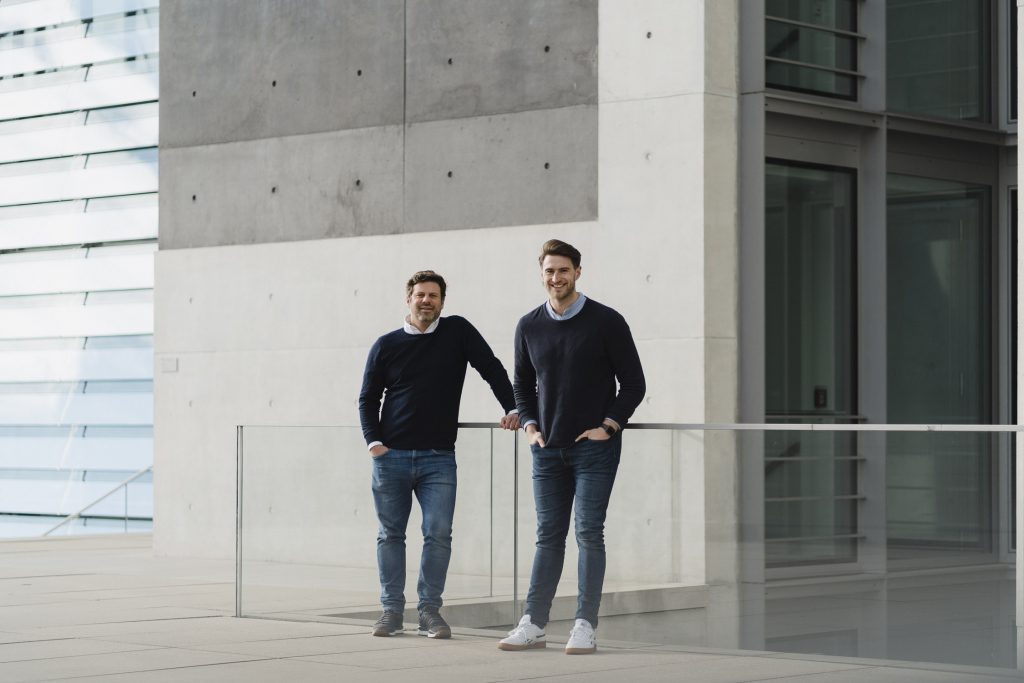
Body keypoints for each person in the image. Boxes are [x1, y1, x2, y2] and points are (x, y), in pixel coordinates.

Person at [499, 239, 645, 654]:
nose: (556, 278)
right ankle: (534, 622)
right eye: (549, 271)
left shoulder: (606, 321)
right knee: (547, 535)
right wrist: (529, 425)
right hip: (546, 448)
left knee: (588, 533)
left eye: (563, 270)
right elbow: (522, 385)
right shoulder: (528, 325)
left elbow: (633, 383)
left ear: (578, 272)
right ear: (541, 273)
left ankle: (584, 624)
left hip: (594, 449)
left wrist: (609, 426)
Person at [359, 270, 519, 639]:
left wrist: (515, 408)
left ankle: (430, 611)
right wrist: (375, 444)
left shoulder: (458, 332)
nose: (426, 300)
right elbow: (368, 398)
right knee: (390, 535)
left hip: (438, 458)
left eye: (433, 295)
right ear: (409, 299)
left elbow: (491, 369)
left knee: (439, 533)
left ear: (442, 302)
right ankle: (391, 612)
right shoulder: (386, 345)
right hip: (391, 457)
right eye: (420, 295)